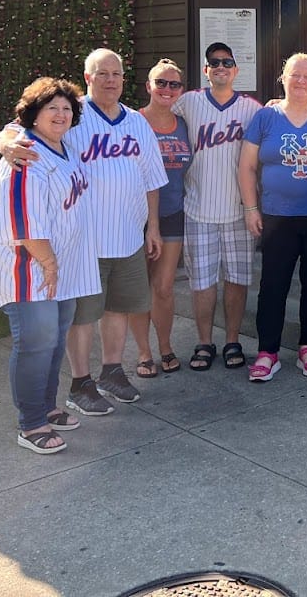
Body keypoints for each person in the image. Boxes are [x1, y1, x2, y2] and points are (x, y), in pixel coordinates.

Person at [0, 48, 166, 416]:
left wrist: (152, 226)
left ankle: (111, 370)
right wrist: (6, 143)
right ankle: (80, 382)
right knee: (83, 314)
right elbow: (21, 127)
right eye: (102, 73)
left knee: (120, 307)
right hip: (83, 240)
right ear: (87, 78)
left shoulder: (137, 122)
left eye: (116, 74)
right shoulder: (71, 112)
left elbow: (151, 178)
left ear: (124, 79)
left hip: (127, 234)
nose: (110, 80)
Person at [0, 78, 97, 455]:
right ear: (34, 113)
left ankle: (47, 406)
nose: (61, 115)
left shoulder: (63, 146)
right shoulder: (25, 154)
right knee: (35, 342)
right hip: (29, 266)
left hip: (58, 267)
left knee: (54, 338)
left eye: (66, 108)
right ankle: (30, 423)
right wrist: (47, 263)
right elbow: (22, 219)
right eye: (52, 109)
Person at [238, 53, 307, 382]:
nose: (300, 81)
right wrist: (251, 208)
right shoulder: (265, 118)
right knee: (273, 285)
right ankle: (268, 351)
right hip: (276, 217)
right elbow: (246, 166)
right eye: (294, 75)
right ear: (282, 78)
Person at [172, 43, 262, 371]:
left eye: (227, 62)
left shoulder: (252, 109)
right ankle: (204, 342)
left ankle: (232, 340)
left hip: (239, 211)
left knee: (238, 280)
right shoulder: (189, 102)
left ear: (236, 70)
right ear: (206, 70)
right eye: (214, 63)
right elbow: (152, 116)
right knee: (202, 282)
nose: (221, 67)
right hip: (198, 208)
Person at [130, 59, 192, 378]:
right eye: (161, 83)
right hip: (135, 217)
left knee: (164, 286)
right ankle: (144, 352)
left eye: (174, 84)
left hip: (172, 212)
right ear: (149, 86)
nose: (168, 89)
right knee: (140, 287)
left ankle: (165, 346)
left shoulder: (184, 122)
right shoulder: (134, 121)